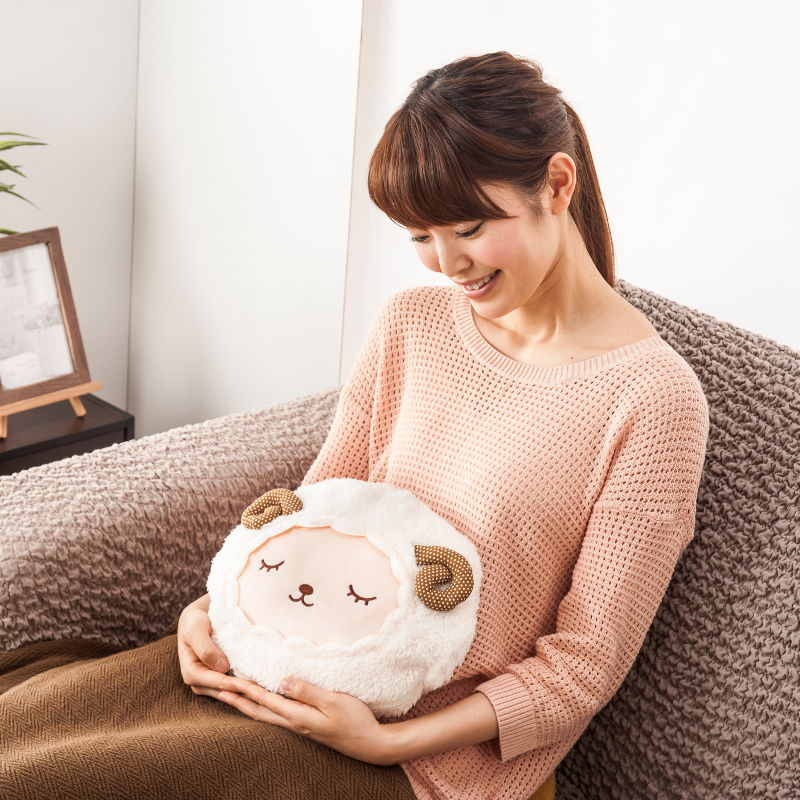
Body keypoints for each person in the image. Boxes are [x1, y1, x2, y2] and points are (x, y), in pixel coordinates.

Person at [177, 51, 709, 800]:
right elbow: (315, 514)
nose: (445, 263)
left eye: (467, 227)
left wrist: (384, 739)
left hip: (420, 763)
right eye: (419, 236)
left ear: (557, 184)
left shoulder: (654, 401)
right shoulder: (411, 325)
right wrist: (211, 609)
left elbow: (584, 664)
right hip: (279, 665)